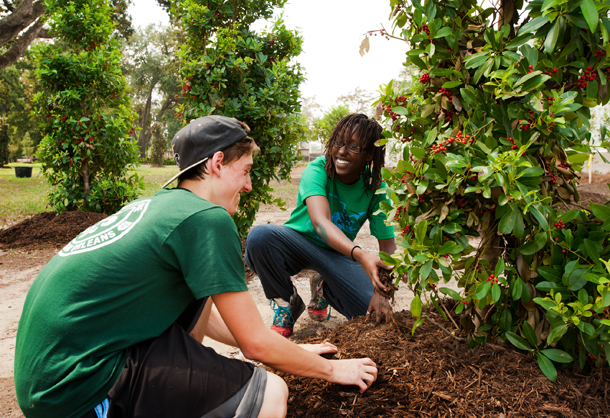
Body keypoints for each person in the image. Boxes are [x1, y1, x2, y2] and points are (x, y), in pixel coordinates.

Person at [14, 115, 378, 418]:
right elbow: (255, 346)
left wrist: (294, 352)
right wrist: (332, 369)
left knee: (198, 296)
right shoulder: (208, 219)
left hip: (47, 377)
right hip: (77, 386)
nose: (250, 185)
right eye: (246, 170)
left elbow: (224, 318)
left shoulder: (159, 206)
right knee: (269, 393)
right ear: (217, 163)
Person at [245, 113, 397, 338]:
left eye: (354, 147)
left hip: (337, 255)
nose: (342, 152)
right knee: (260, 237)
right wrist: (361, 255)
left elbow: (388, 247)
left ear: (369, 155)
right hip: (297, 244)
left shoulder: (376, 187)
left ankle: (324, 287)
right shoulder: (318, 170)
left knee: (372, 317)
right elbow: (320, 223)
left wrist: (381, 292)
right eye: (339, 143)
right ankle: (287, 303)